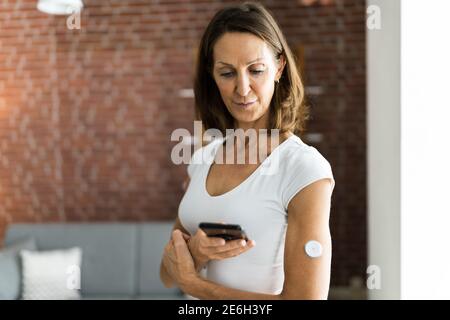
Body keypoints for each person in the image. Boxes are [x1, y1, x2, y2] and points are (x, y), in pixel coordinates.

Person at [160, 1, 335, 300]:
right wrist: (196, 254)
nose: (242, 88)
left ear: (279, 67)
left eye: (256, 70)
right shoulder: (203, 158)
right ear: (212, 76)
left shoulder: (304, 170)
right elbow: (166, 274)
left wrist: (195, 286)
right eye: (227, 73)